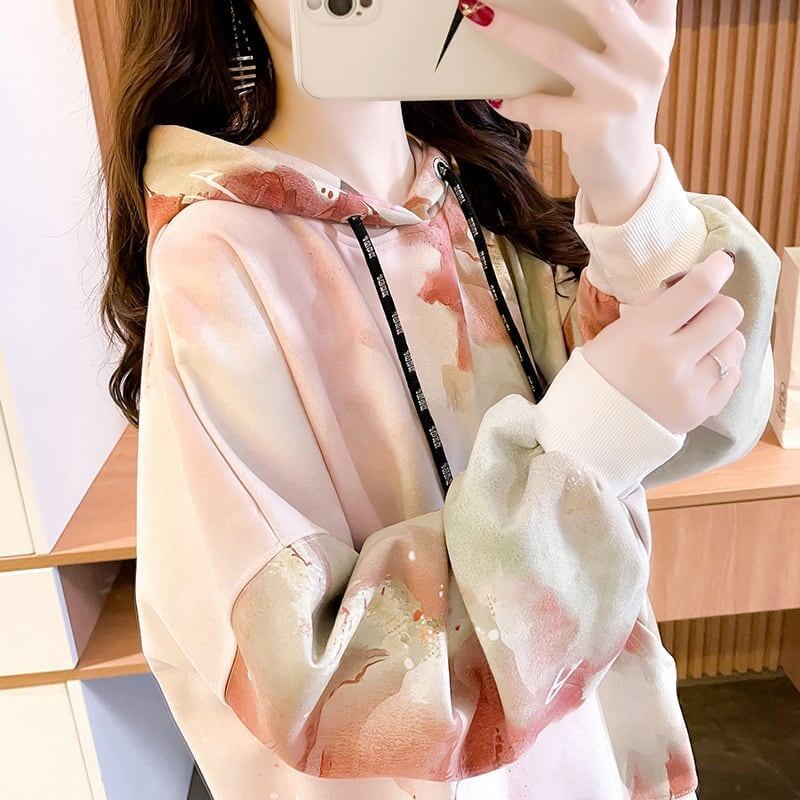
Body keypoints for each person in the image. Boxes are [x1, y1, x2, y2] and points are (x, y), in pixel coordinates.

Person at [101, 1, 780, 798]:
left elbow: (712, 409)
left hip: (589, 755)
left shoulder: (474, 199)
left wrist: (628, 177)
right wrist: (590, 440)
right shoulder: (218, 262)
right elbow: (310, 682)